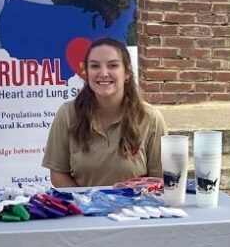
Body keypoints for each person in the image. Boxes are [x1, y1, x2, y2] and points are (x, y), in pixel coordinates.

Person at [42, 37, 166, 187]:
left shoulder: (151, 118)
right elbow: (58, 173)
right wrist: (84, 200)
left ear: (127, 73)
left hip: (136, 203)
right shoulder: (67, 114)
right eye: (95, 66)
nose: (103, 73)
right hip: (82, 202)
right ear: (86, 73)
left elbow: (159, 180)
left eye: (113, 65)